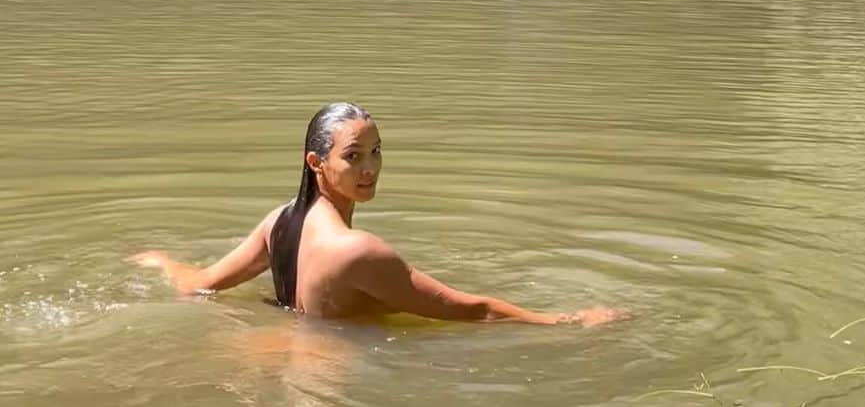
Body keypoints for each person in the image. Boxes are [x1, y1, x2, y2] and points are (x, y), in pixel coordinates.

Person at [132, 101, 622, 327]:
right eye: (353, 156)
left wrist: (163, 263)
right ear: (316, 163)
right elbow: (473, 310)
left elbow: (199, 285)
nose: (370, 170)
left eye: (377, 152)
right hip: (331, 379)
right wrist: (565, 320)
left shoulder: (281, 221)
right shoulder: (358, 252)